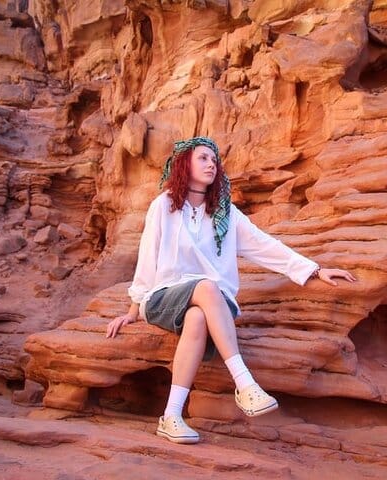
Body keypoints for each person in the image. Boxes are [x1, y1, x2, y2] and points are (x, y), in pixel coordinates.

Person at [105, 136, 356, 444]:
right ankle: (245, 383)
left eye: (214, 160)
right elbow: (148, 255)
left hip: (210, 303)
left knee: (198, 317)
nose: (211, 164)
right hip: (165, 297)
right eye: (203, 158)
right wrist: (133, 310)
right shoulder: (164, 206)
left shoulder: (225, 213)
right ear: (184, 163)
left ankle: (170, 416)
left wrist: (313, 269)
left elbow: (264, 245)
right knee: (207, 287)